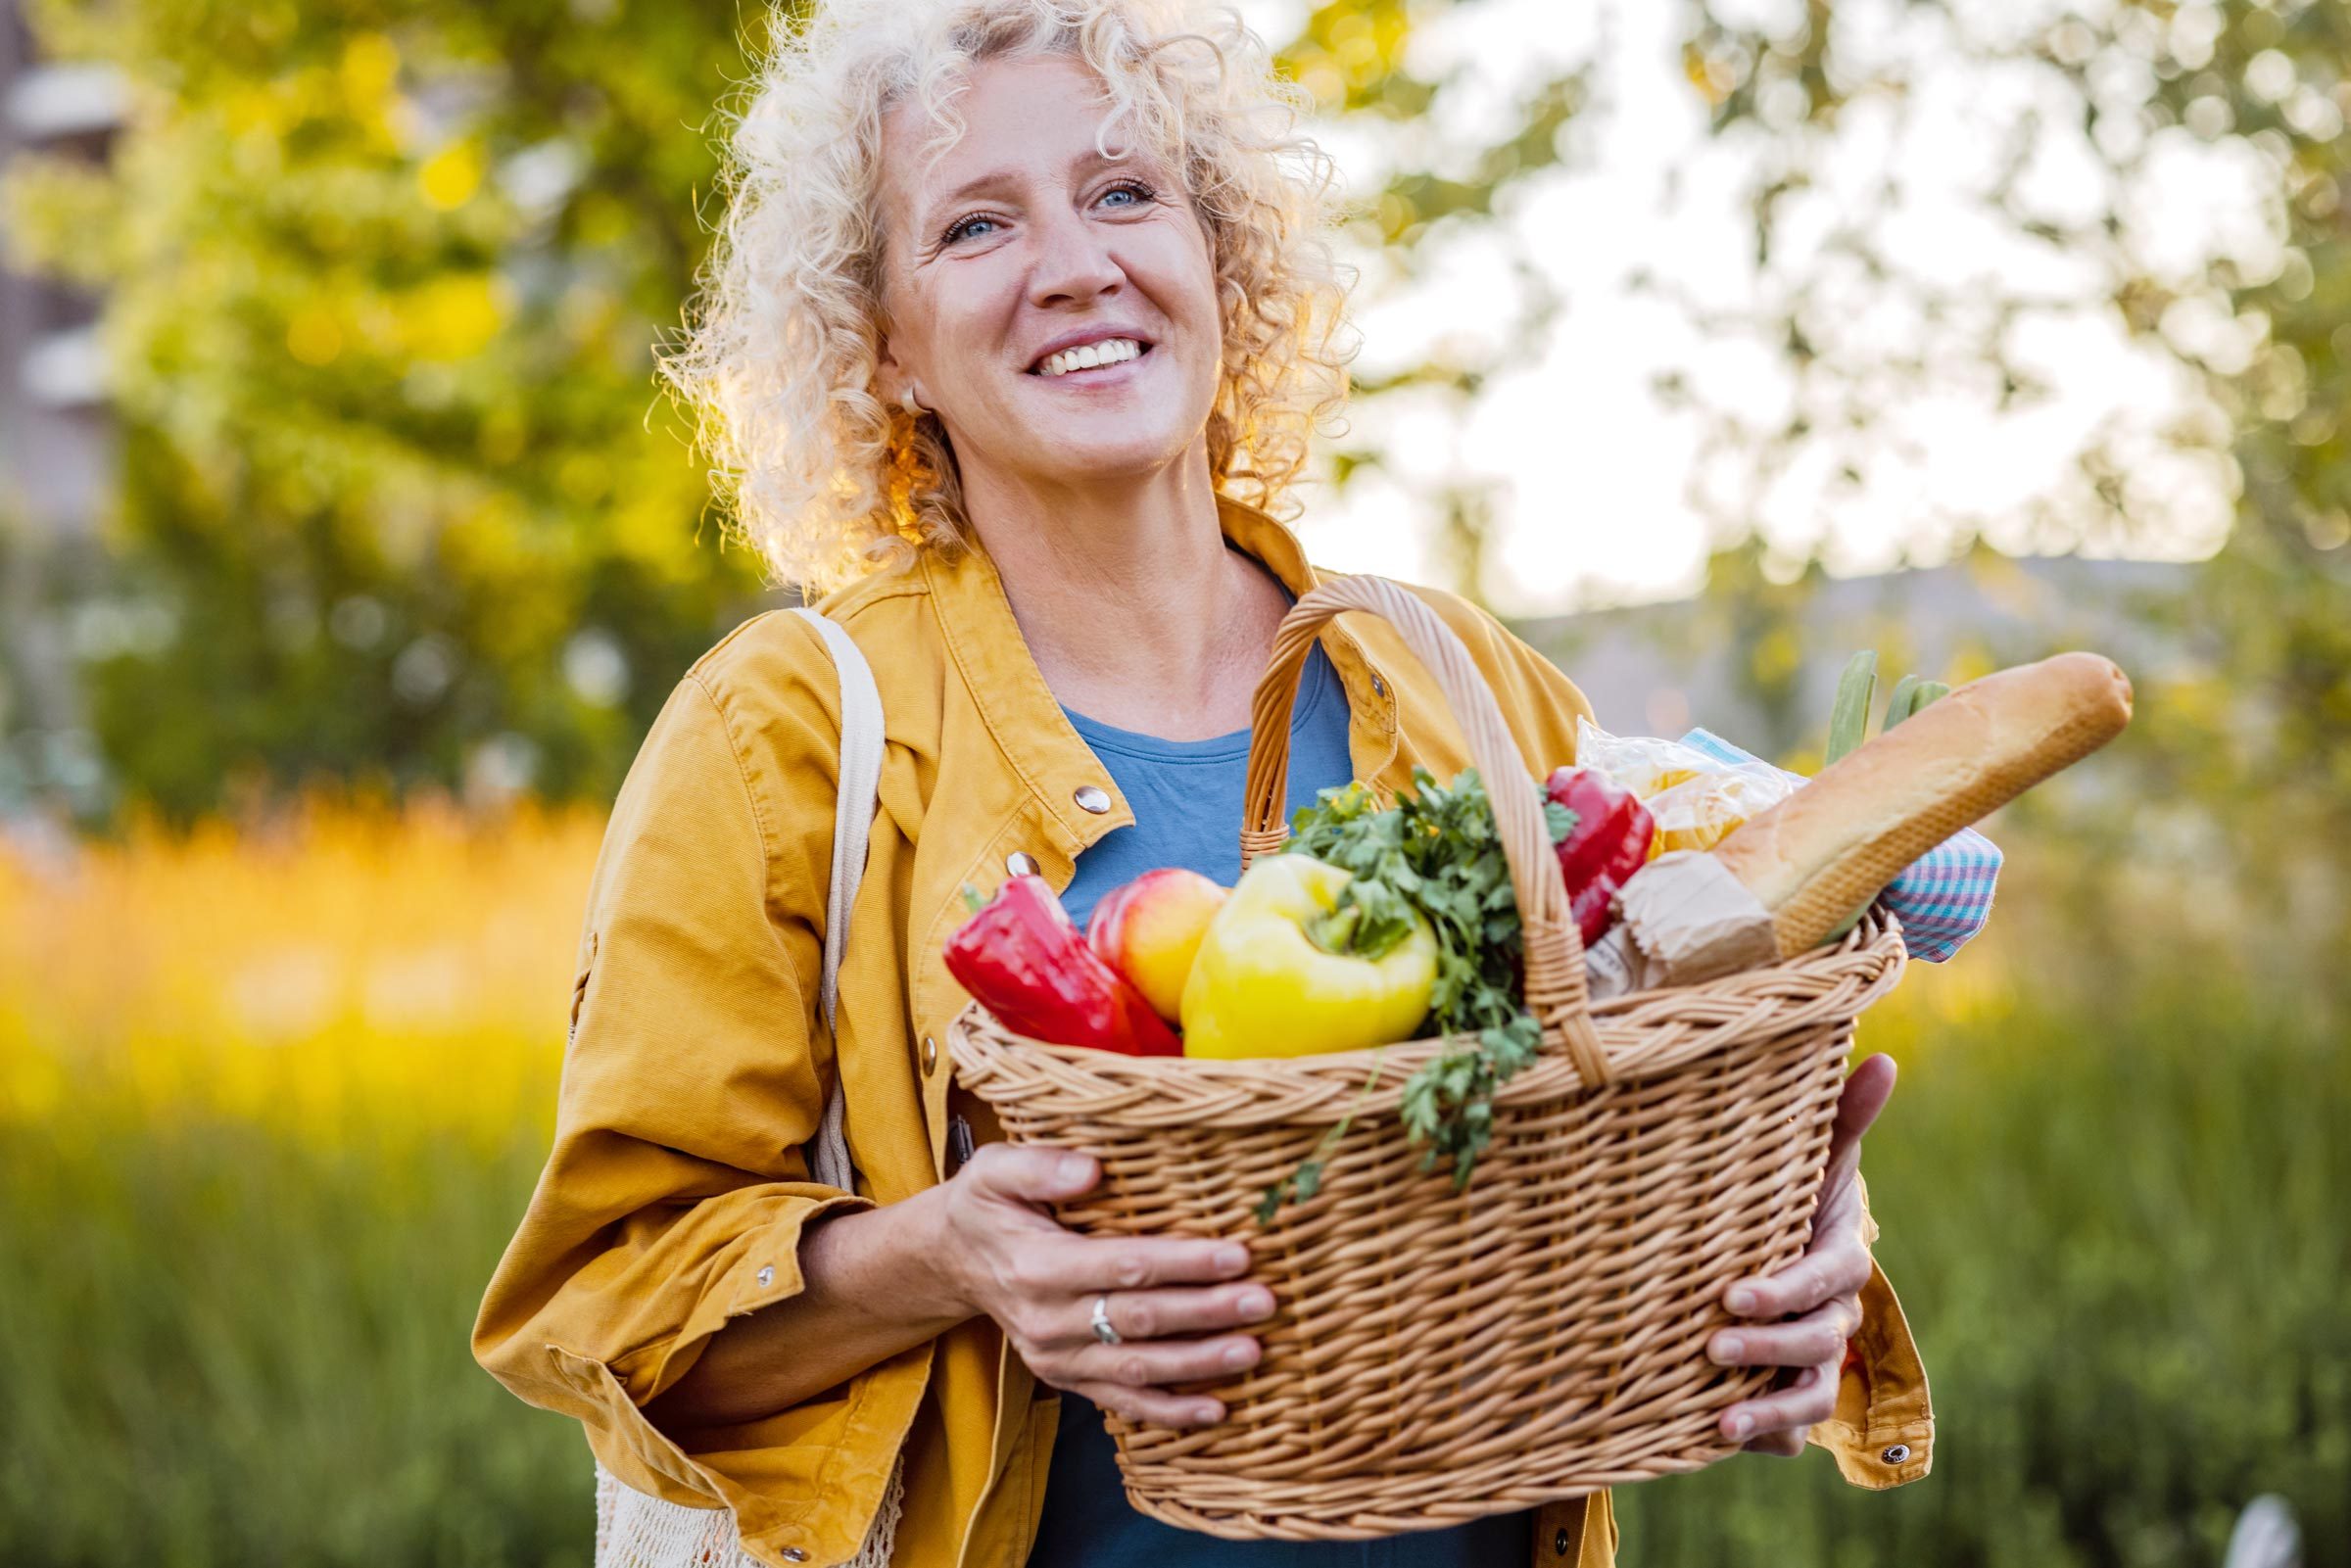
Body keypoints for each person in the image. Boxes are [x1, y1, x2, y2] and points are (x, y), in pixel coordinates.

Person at [471, 3, 1933, 1564]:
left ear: (1217, 259)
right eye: (976, 225)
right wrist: (951, 1258)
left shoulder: (1455, 683)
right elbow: (615, 1301)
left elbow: (1634, 1119)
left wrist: (1796, 1236)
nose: (1077, 264)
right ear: (883, 341)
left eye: (1125, 193)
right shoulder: (790, 735)